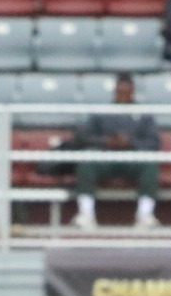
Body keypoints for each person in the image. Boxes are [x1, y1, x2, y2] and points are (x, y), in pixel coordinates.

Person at [68, 74, 161, 231]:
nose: (123, 95)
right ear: (115, 91)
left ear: (133, 91)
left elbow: (154, 143)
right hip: (106, 157)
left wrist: (130, 142)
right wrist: (106, 141)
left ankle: (145, 215)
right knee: (86, 164)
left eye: (127, 91)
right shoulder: (102, 112)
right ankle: (86, 214)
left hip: (133, 158)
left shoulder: (144, 114)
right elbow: (85, 138)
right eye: (120, 91)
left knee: (150, 166)